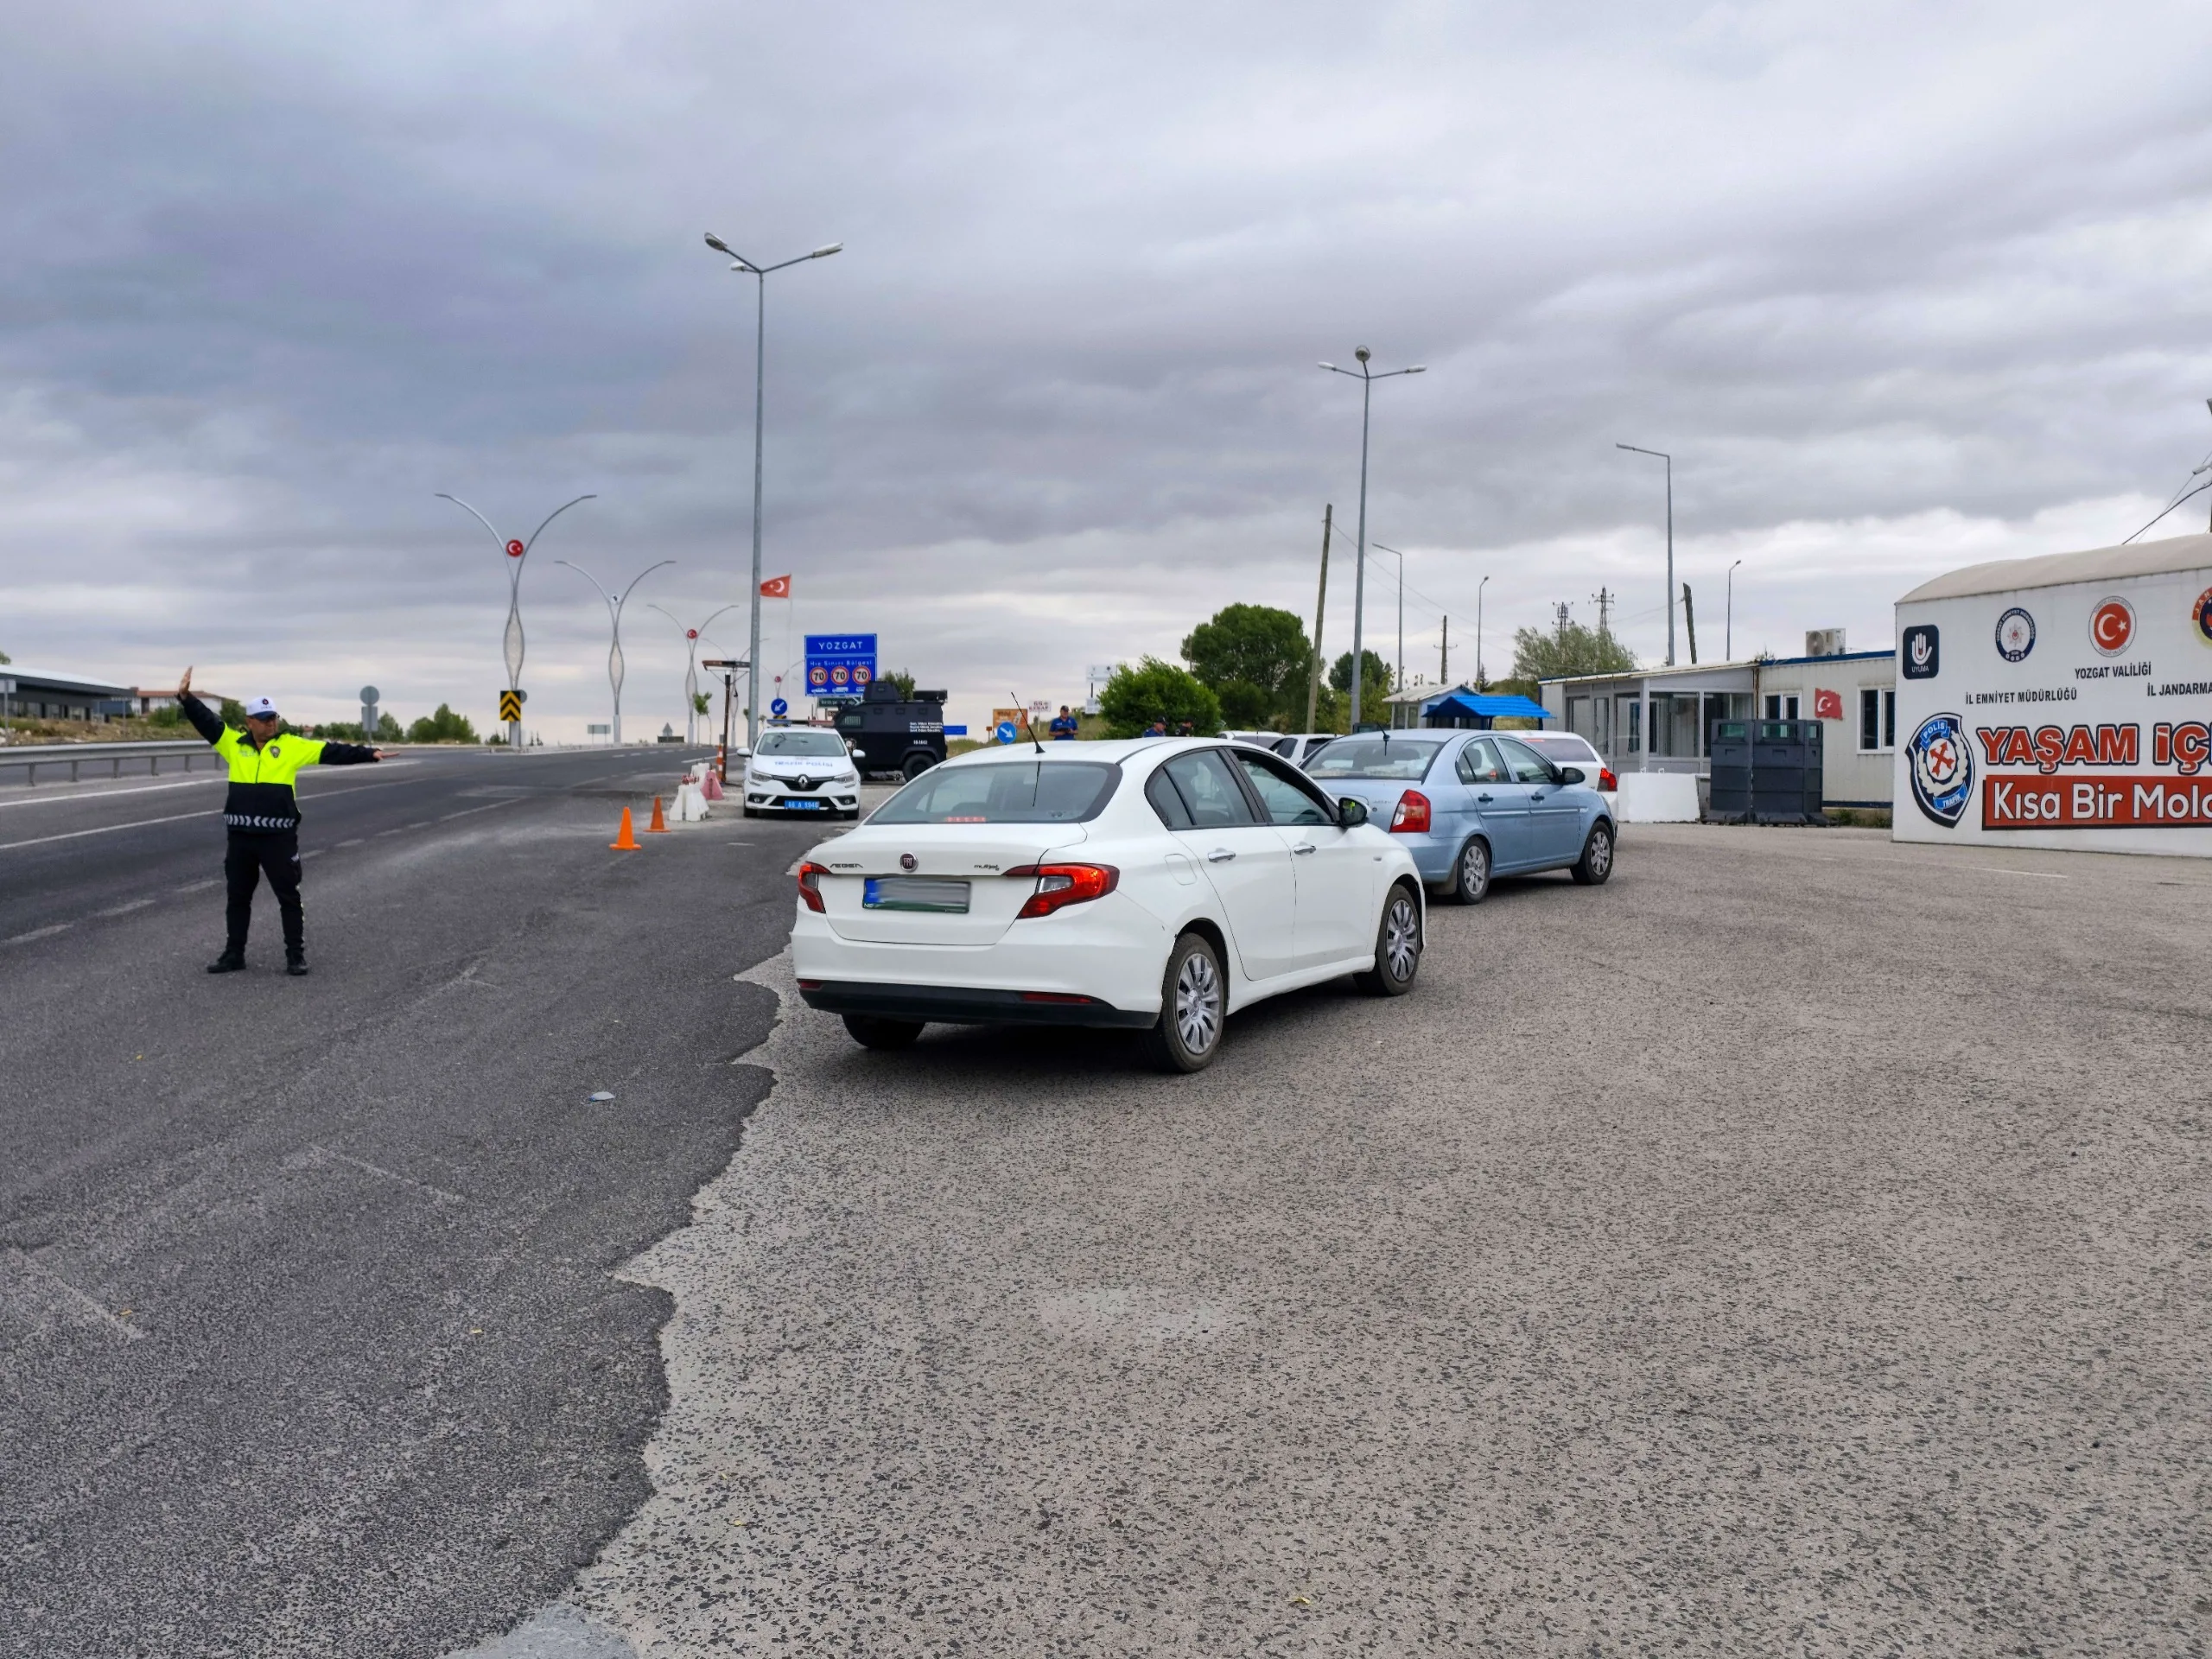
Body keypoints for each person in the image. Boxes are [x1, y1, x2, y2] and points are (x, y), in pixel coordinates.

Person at [175, 667, 386, 976]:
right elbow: (208, 722)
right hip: (241, 838)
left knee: (289, 897)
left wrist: (370, 754)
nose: (271, 722)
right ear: (249, 723)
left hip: (278, 839)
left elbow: (331, 751)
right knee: (238, 898)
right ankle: (234, 954)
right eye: (264, 719)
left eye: (273, 717)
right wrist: (185, 697)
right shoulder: (233, 745)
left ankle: (295, 956)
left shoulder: (290, 745)